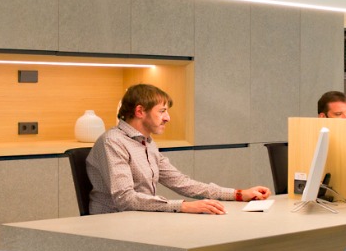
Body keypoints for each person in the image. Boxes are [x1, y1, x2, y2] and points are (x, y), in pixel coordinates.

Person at [88, 84, 270, 214]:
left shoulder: (147, 142)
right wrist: (183, 206)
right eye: (162, 111)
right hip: (114, 226)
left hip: (142, 219)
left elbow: (182, 183)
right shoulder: (112, 142)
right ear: (140, 111)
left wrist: (238, 194)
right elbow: (125, 199)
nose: (167, 118)